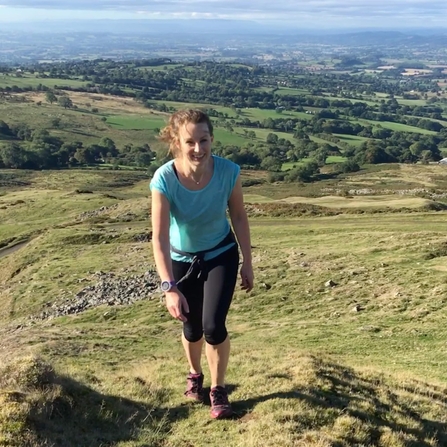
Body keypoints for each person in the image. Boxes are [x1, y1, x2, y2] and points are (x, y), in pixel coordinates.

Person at [150, 109, 254, 419]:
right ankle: (195, 374)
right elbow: (159, 237)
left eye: (204, 140)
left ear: (212, 139)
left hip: (221, 253)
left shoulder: (228, 172)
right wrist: (169, 287)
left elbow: (238, 216)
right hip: (182, 259)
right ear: (176, 142)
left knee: (212, 326)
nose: (198, 149)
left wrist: (247, 261)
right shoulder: (164, 179)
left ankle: (218, 389)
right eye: (190, 141)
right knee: (191, 327)